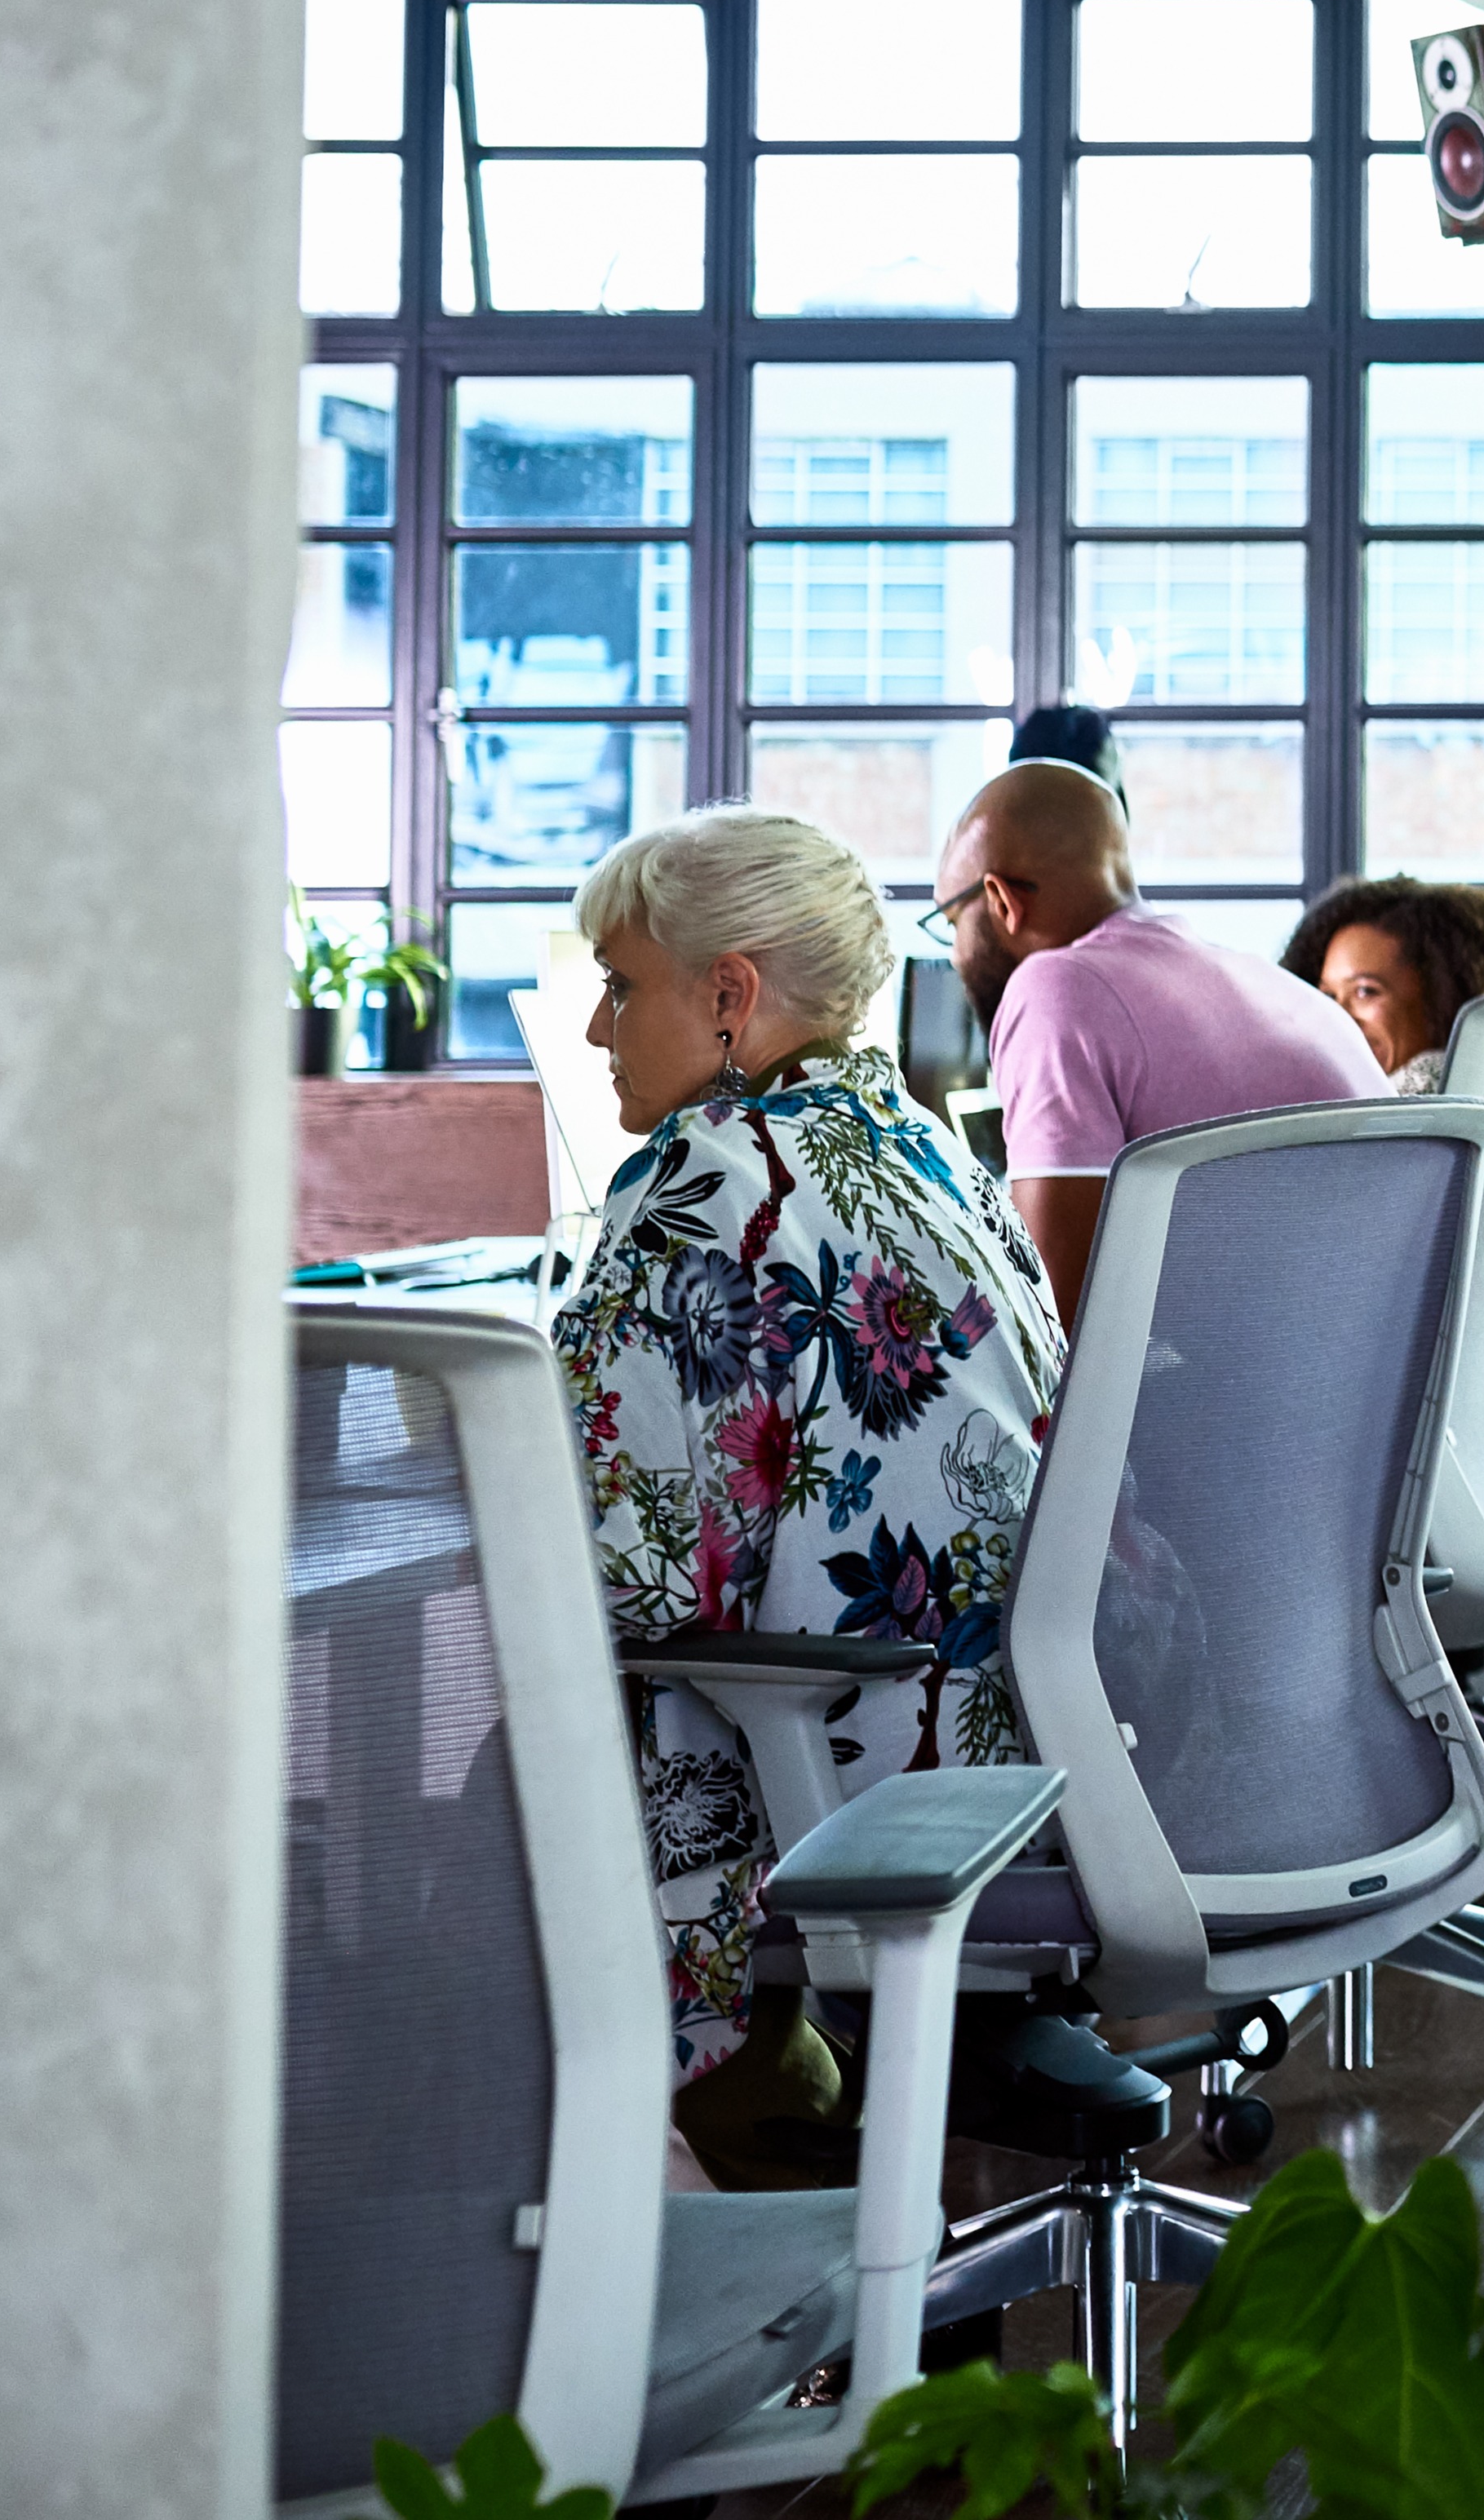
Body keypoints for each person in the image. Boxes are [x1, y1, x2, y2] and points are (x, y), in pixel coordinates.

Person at [548, 805, 1062, 2153]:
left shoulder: (703, 1176)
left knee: (471, 1760)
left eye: (620, 985)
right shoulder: (925, 1143)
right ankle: (776, 2118)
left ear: (730, 995)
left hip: (863, 1770)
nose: (599, 1028)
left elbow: (607, 1562)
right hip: (1022, 1727)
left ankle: (698, 2196)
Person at [926, 760, 1375, 1331]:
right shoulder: (1288, 992)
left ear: (1001, 901)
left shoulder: (1053, 986)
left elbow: (1053, 1323)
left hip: (1235, 1398)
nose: (954, 953)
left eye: (950, 923)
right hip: (1349, 1391)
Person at [1279, 877, 1484, 1092]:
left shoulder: (1413, 1104)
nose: (1338, 1015)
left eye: (1365, 991)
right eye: (1328, 995)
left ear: (1445, 997)